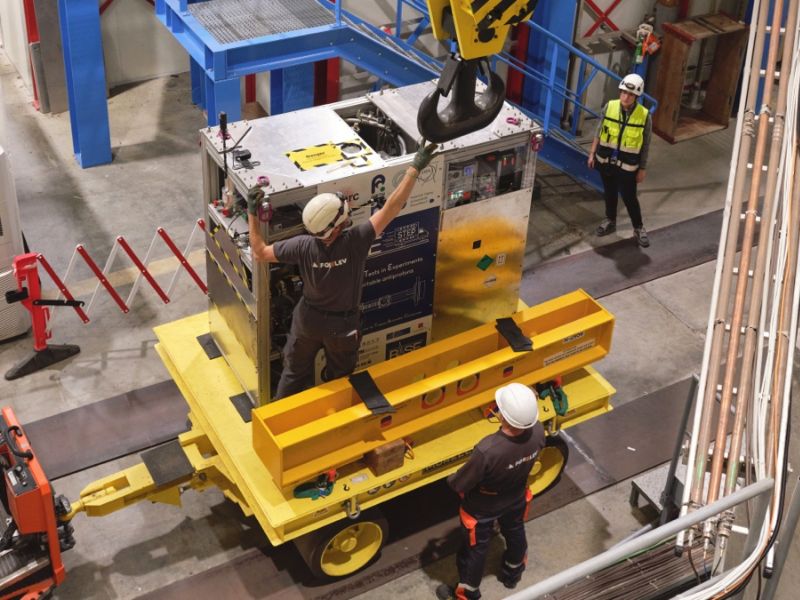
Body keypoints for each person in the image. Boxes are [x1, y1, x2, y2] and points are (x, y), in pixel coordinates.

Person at [246, 142, 437, 399]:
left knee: (293, 375)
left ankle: (278, 420)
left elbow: (259, 252)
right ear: (336, 227)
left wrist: (252, 213)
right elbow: (393, 206)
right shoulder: (356, 241)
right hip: (342, 326)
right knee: (341, 382)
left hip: (307, 322)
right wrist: (415, 168)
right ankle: (335, 417)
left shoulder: (302, 246)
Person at [436, 383, 547, 600]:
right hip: (516, 496)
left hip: (482, 507)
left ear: (502, 415)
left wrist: (451, 477)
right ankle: (512, 573)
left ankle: (467, 594)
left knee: (475, 550)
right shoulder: (538, 431)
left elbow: (459, 484)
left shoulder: (488, 450)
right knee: (515, 530)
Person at [587, 73, 652, 248]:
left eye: (630, 94)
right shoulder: (610, 107)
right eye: (623, 92)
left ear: (637, 96)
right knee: (609, 192)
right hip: (606, 161)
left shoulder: (644, 115)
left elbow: (645, 144)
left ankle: (638, 227)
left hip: (628, 166)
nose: (626, 97)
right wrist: (592, 153)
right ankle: (610, 220)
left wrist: (642, 168)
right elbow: (599, 131)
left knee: (629, 197)